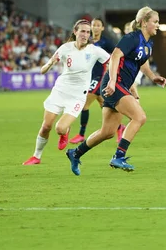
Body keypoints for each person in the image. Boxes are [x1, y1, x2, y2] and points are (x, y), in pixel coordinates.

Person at [66, 7, 166, 175]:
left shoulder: (148, 43)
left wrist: (153, 76)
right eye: (155, 21)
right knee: (139, 117)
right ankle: (119, 156)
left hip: (121, 85)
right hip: (115, 83)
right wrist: (112, 82)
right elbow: (114, 56)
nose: (158, 25)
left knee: (108, 132)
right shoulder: (132, 38)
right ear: (143, 22)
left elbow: (141, 62)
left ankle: (75, 153)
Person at [22, 19, 110, 165]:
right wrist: (50, 63)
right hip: (60, 91)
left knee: (60, 128)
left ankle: (65, 131)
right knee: (46, 126)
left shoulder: (94, 51)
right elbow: (43, 70)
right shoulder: (65, 48)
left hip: (77, 96)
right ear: (75, 32)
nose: (85, 35)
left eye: (88, 32)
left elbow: (111, 61)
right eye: (82, 31)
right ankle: (36, 157)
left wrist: (108, 78)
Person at [69, 18, 117, 146]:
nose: (95, 27)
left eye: (98, 25)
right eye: (93, 25)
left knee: (84, 104)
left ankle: (81, 134)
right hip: (89, 77)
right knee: (104, 104)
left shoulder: (106, 42)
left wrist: (110, 70)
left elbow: (116, 56)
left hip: (100, 76)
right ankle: (119, 128)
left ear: (102, 28)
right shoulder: (87, 42)